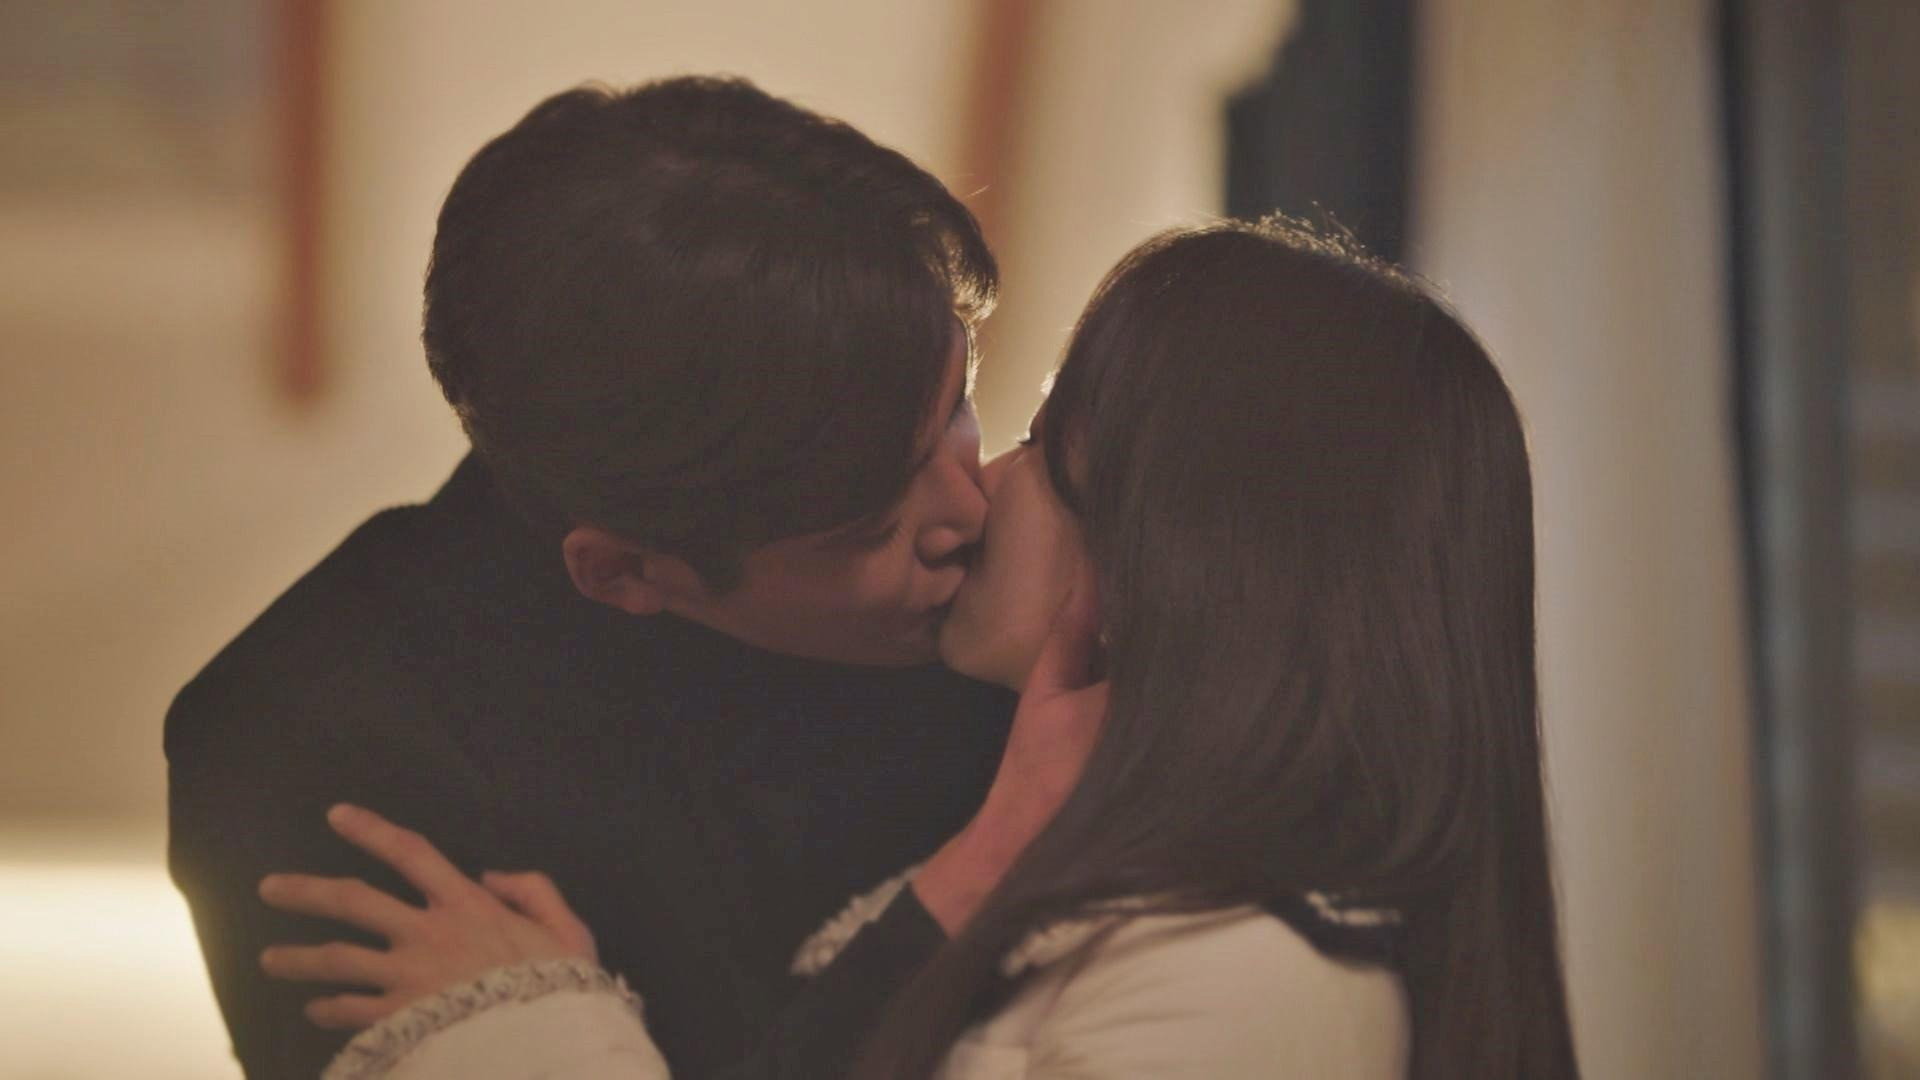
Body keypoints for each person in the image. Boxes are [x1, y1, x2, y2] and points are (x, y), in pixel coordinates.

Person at [259, 218, 1584, 1078]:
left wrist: (535, 1031)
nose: (984, 489)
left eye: (1050, 448)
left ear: (1176, 560)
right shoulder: (1158, 913)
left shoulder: (1246, 989)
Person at [165, 76, 1029, 1080]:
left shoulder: (1013, 603)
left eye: (958, 405)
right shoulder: (309, 749)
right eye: (875, 525)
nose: (972, 513)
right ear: (623, 571)